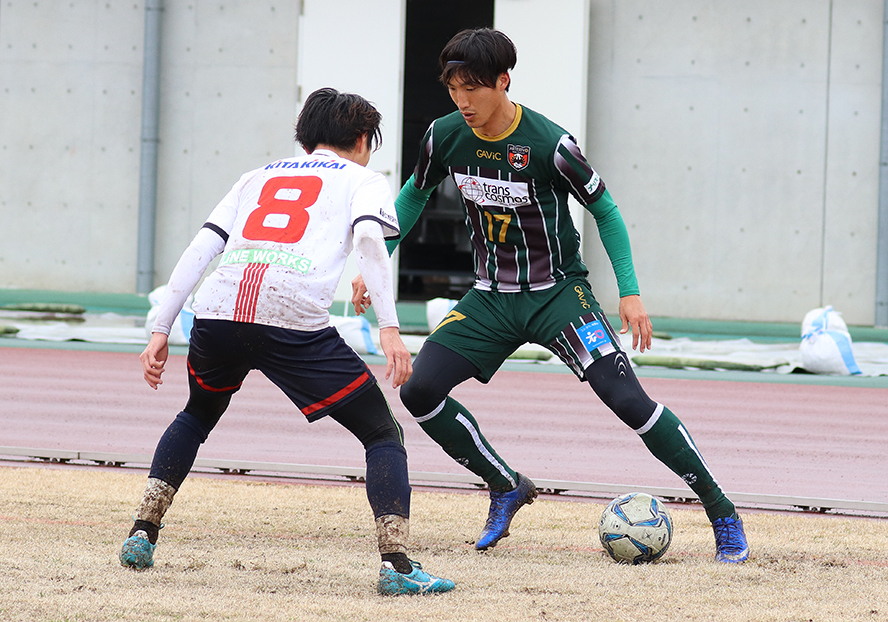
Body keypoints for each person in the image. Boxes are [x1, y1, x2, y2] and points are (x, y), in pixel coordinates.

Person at [352, 28, 749, 563]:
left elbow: (605, 210)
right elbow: (413, 196)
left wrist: (629, 292)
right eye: (453, 89)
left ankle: (722, 510)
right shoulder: (442, 136)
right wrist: (378, 259)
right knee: (419, 392)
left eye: (473, 88)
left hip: (559, 297)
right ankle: (505, 484)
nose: (463, 101)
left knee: (629, 401)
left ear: (503, 81)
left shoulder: (551, 145)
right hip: (489, 301)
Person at [119, 87, 456, 595]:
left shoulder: (257, 176)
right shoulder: (365, 179)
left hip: (218, 311)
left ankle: (141, 533)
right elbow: (369, 243)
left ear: (305, 137)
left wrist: (162, 327)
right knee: (382, 434)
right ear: (364, 138)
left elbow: (202, 246)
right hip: (290, 315)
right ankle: (397, 567)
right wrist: (390, 328)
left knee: (196, 415)